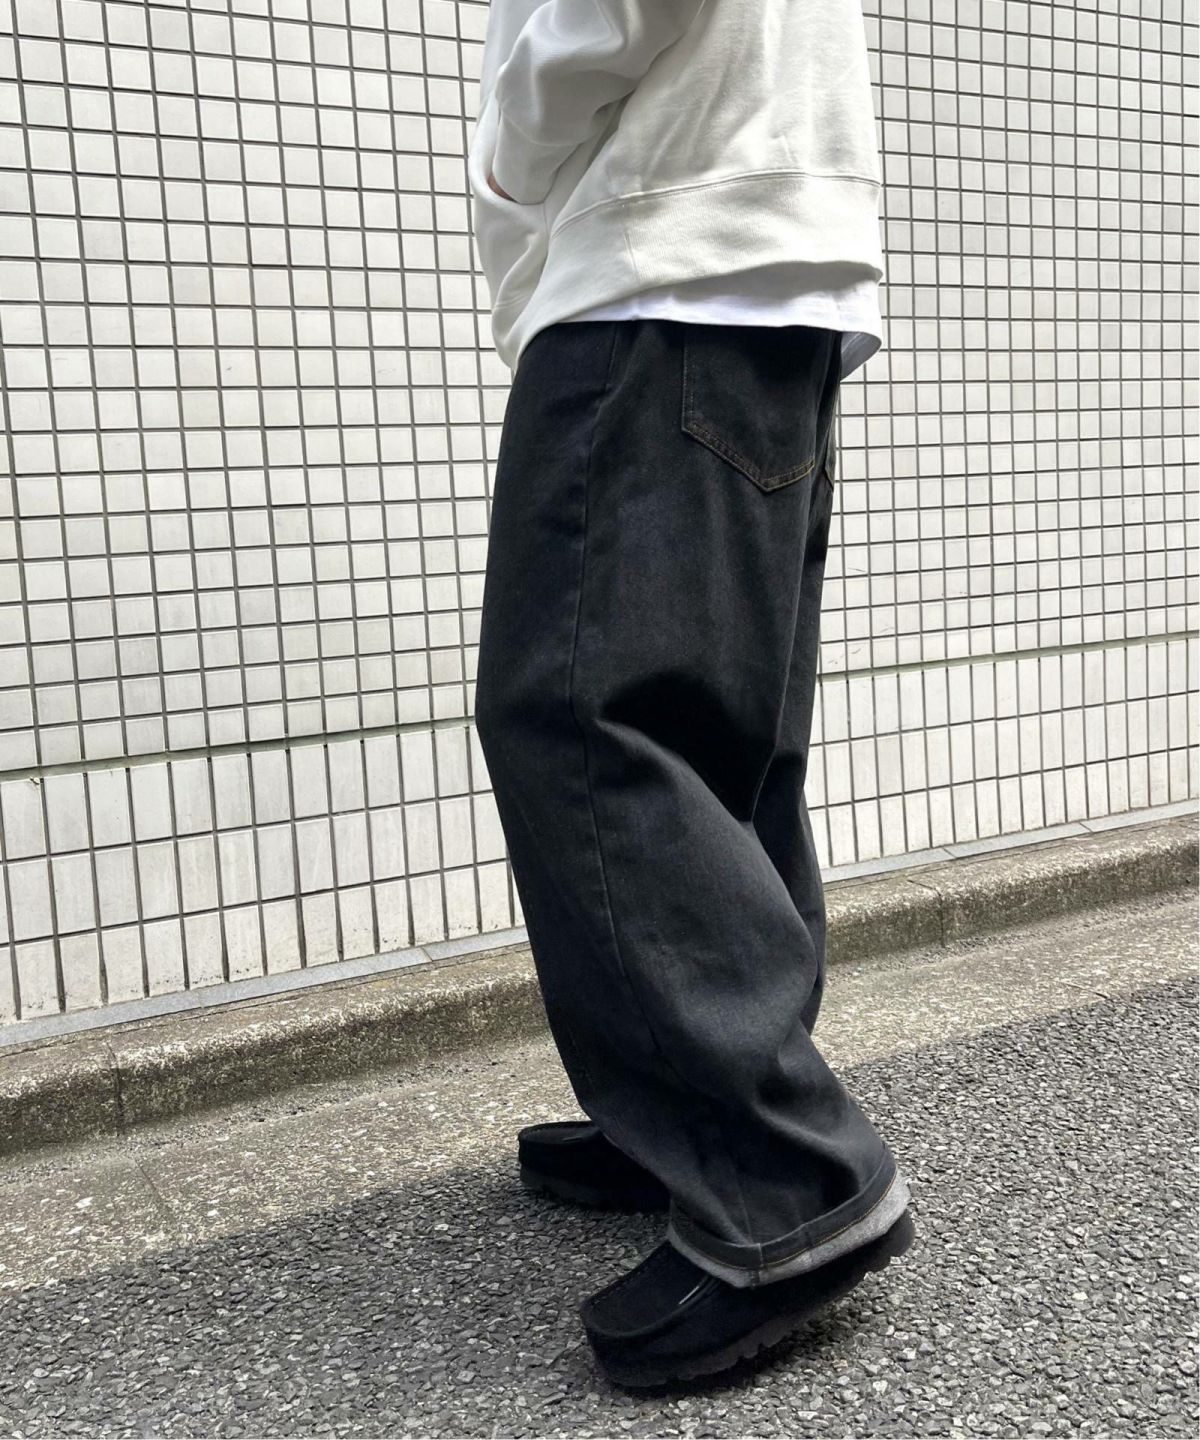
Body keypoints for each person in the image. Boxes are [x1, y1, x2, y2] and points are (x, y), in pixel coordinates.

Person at [467, 0, 913, 1389]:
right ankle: (692, 1112)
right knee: (718, 732)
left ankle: (776, 1179)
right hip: (763, 274)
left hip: (657, 269)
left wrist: (509, 157)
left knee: (581, 716)